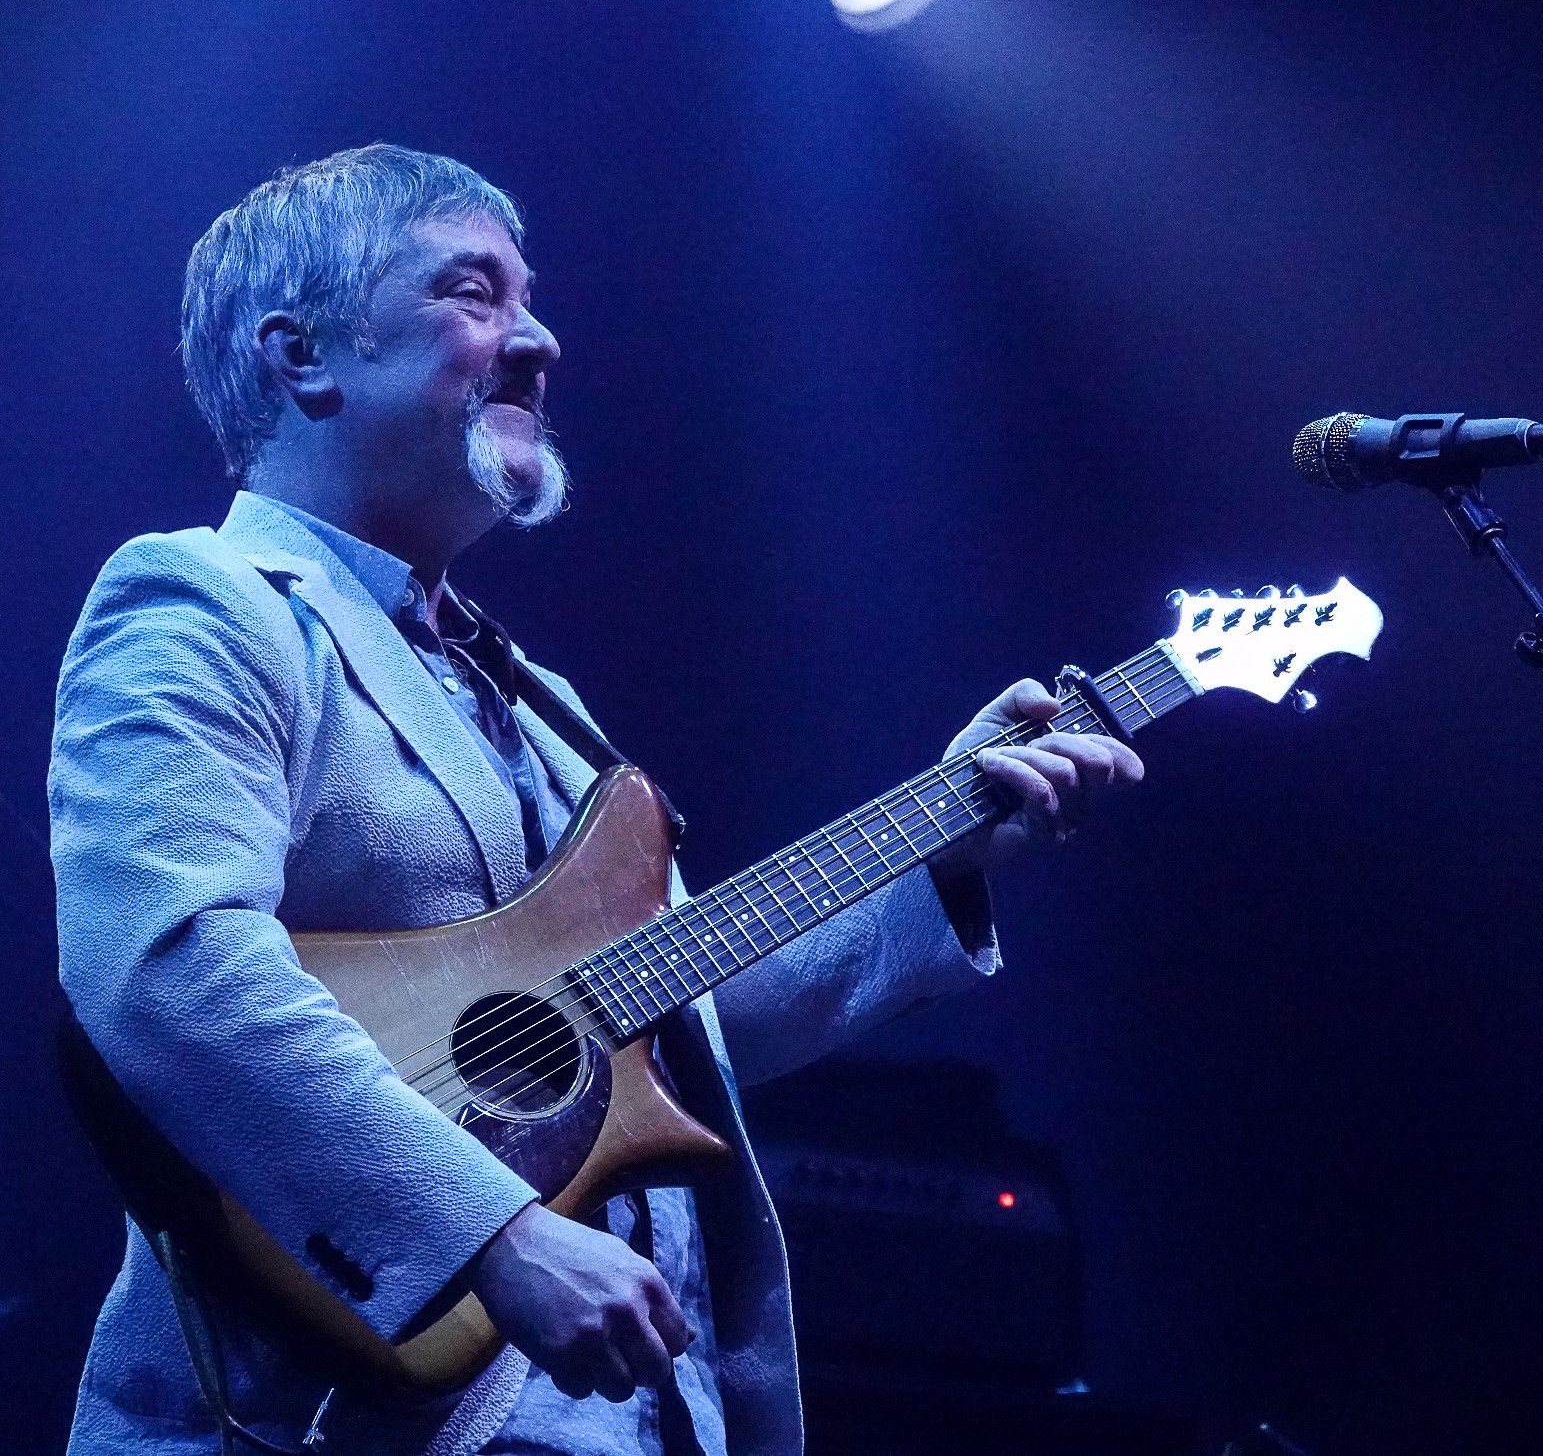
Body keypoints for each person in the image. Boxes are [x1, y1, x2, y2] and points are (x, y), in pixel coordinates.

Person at [49, 144, 1143, 1456]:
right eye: (475, 294)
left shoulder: (540, 704)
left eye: (531, 296)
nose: (541, 339)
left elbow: (671, 1034)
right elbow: (166, 969)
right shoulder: (201, 601)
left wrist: (948, 841)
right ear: (303, 360)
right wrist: (489, 1236)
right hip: (345, 1420)